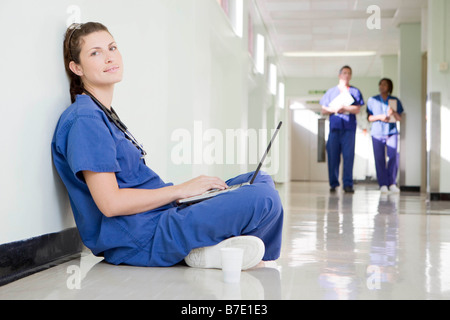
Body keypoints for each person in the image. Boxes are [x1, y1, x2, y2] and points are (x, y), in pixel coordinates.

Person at [51, 22, 283, 268]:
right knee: (264, 197)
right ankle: (207, 249)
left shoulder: (102, 113)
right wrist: (181, 190)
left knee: (260, 180)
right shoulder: (85, 120)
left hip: (161, 213)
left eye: (112, 47)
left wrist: (185, 195)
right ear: (76, 67)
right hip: (141, 234)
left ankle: (212, 248)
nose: (109, 57)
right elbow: (110, 204)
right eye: (95, 53)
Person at [320, 66, 365, 193]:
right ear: (340, 75)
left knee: (348, 157)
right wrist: (335, 109)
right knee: (333, 157)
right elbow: (324, 109)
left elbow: (357, 109)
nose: (347, 75)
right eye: (344, 73)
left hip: (349, 130)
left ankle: (348, 184)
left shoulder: (355, 91)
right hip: (334, 129)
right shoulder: (331, 92)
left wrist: (345, 107)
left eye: (349, 73)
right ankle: (333, 183)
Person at [367, 78, 404, 193]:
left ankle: (392, 183)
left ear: (389, 87)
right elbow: (369, 118)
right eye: (381, 84)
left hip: (391, 132)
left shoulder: (394, 100)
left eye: (385, 85)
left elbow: (399, 118)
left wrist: (393, 112)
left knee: (393, 157)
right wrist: (380, 117)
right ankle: (382, 183)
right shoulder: (373, 100)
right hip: (377, 133)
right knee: (379, 158)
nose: (382, 86)